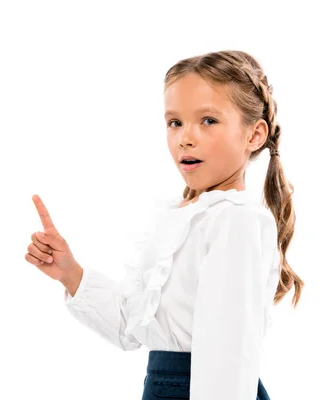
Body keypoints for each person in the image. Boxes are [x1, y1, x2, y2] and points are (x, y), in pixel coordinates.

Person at [25, 50, 304, 400]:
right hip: (162, 386)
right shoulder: (183, 218)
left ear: (254, 135)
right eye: (175, 122)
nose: (186, 137)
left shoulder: (237, 220)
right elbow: (133, 330)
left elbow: (228, 357)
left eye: (208, 121)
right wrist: (70, 273)